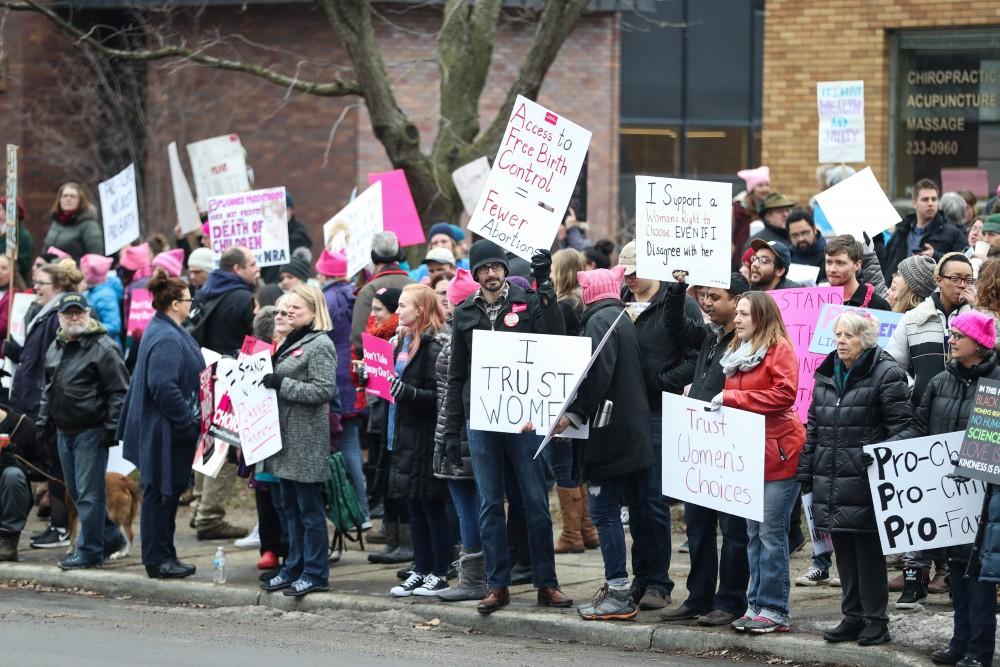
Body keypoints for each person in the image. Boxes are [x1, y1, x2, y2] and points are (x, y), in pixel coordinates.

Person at [444, 240, 572, 615]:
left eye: (496, 267)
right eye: (483, 269)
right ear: (475, 274)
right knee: (489, 503)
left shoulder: (527, 301)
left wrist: (544, 286)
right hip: (481, 418)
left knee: (533, 501)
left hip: (524, 417)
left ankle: (546, 582)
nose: (491, 274)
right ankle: (496, 584)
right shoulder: (465, 311)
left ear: (503, 269)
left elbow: (555, 337)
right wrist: (452, 429)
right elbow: (455, 375)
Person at [891, 311, 1000, 665]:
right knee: (955, 569)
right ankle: (959, 643)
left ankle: (979, 651)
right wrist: (886, 453)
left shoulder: (997, 383)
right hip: (946, 499)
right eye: (951, 335)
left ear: (980, 345)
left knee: (979, 578)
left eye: (958, 336)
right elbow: (919, 429)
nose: (951, 340)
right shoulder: (939, 381)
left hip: (984, 502)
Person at [797, 311, 911, 645]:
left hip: (865, 478)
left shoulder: (887, 374)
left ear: (866, 339)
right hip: (830, 478)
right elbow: (814, 428)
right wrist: (805, 472)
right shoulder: (826, 374)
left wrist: (872, 454)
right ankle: (852, 616)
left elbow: (905, 428)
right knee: (843, 549)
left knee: (867, 551)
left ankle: (876, 620)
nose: (841, 341)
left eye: (848, 335)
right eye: (838, 335)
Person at [551, 265, 654, 621]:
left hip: (609, 435)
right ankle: (620, 588)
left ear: (589, 292)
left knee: (604, 511)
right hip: (629, 433)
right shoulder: (621, 318)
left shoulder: (599, 322)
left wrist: (573, 414)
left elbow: (596, 375)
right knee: (617, 510)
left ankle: (619, 592)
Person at [660, 271, 752, 626]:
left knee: (732, 530)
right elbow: (675, 325)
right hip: (700, 445)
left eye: (716, 297)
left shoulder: (746, 342)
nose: (708, 303)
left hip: (730, 446)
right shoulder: (710, 336)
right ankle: (698, 597)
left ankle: (730, 601)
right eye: (705, 296)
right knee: (697, 524)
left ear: (737, 300)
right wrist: (678, 287)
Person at [712, 291, 804, 634]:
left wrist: (733, 397)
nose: (736, 319)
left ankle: (775, 608)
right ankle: (755, 604)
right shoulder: (739, 351)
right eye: (737, 313)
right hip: (749, 453)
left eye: (744, 314)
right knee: (753, 533)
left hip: (779, 454)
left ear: (761, 317)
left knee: (770, 533)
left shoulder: (779, 348)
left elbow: (784, 393)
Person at [619, 240, 703, 609]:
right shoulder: (621, 300)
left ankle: (660, 582)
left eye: (637, 272)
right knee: (633, 500)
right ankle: (641, 575)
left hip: (659, 412)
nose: (631, 279)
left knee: (653, 499)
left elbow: (697, 356)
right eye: (626, 273)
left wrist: (663, 380)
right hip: (627, 414)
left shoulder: (677, 302)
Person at [119, 269, 203, 578]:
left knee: (163, 494)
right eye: (188, 299)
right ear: (176, 303)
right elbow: (162, 386)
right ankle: (158, 559)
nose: (191, 304)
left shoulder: (165, 328)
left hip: (164, 428)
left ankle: (164, 555)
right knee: (160, 494)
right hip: (165, 431)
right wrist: (186, 424)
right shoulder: (166, 336)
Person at [37, 293, 130, 569]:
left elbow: (119, 392)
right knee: (77, 493)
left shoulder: (104, 347)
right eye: (69, 313)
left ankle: (89, 550)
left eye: (79, 312)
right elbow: (48, 388)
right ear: (60, 317)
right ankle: (110, 537)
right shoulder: (56, 345)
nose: (74, 317)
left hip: (92, 429)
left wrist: (111, 429)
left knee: (89, 494)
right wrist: (43, 422)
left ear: (88, 313)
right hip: (64, 430)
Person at [257, 285, 335, 597]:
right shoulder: (291, 342)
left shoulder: (320, 345)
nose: (288, 313)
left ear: (314, 312)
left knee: (309, 511)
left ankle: (315, 572)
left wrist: (282, 383)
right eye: (286, 308)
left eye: (296, 309)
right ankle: (294, 567)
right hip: (285, 439)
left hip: (305, 441)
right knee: (289, 509)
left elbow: (323, 390)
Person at [5, 261, 82, 549]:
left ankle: (62, 528)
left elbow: (55, 362)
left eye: (42, 284)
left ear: (60, 286)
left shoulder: (58, 316)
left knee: (56, 467)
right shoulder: (44, 312)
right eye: (35, 283)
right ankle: (57, 526)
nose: (35, 288)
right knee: (50, 465)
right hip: (31, 398)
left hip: (45, 402)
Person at [385, 284, 451, 597]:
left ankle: (439, 571)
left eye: (402, 306)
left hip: (425, 435)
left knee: (430, 504)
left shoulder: (433, 345)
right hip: (405, 431)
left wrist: (407, 393)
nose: (397, 312)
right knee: (413, 502)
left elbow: (439, 396)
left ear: (420, 310)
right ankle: (420, 568)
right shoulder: (404, 340)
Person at [189, 246, 258, 540]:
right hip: (231, 377)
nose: (257, 269)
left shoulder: (206, 291)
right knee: (226, 445)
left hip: (207, 374)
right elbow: (254, 341)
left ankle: (198, 506)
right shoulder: (243, 298)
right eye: (252, 264)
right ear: (236, 269)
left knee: (208, 441)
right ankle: (210, 517)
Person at [434, 269, 487, 602]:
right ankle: (481, 575)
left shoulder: (461, 339)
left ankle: (473, 579)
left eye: (449, 300)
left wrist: (449, 433)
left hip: (461, 434)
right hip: (457, 430)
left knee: (470, 509)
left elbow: (454, 393)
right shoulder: (460, 334)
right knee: (474, 507)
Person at [547, 249, 599, 555]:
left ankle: (571, 533)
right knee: (575, 459)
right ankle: (586, 528)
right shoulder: (586, 302)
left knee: (562, 460)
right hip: (584, 393)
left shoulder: (563, 306)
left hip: (563, 392)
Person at [316, 249, 369, 528]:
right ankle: (363, 509)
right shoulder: (356, 294)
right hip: (354, 375)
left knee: (344, 446)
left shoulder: (325, 300)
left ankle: (358, 510)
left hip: (335, 377)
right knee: (353, 445)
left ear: (323, 272)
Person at [888, 252, 975, 405]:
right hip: (922, 411)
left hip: (964, 410)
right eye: (955, 278)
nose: (962, 284)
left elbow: (992, 357)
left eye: (968, 280)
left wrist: (977, 308)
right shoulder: (913, 318)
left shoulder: (977, 317)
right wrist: (912, 389)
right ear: (939, 280)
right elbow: (892, 364)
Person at [880, 178, 966, 282]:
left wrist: (935, 256)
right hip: (899, 292)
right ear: (914, 203)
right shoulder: (902, 231)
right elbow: (886, 262)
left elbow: (964, 266)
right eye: (925, 199)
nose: (930, 203)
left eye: (934, 199)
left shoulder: (953, 233)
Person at [350, 231, 414, 356]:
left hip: (377, 365)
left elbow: (358, 338)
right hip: (411, 358)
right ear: (398, 253)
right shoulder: (416, 287)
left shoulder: (368, 290)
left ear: (373, 255)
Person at [0, 404, 40, 561]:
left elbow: (43, 469)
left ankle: (7, 539)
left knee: (13, 475)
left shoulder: (22, 425)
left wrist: (17, 463)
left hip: (8, 496)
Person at [823, 236, 891, 310]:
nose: (832, 269)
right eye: (829, 262)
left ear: (857, 265)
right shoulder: (816, 300)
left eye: (840, 263)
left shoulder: (878, 305)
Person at [42, 183, 103, 261]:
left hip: (75, 272)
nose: (68, 199)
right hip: (51, 271)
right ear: (59, 200)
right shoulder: (56, 223)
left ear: (80, 201)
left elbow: (96, 257)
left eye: (72, 196)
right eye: (65, 196)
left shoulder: (89, 225)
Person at [732, 166, 771, 267]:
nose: (765, 189)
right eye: (760, 185)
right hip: (740, 258)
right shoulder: (738, 208)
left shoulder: (771, 208)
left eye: (767, 185)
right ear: (752, 189)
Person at [80, 254, 123, 343]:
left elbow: (114, 326)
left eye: (84, 271)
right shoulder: (90, 290)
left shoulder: (106, 296)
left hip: (106, 348)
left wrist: (86, 328)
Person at [0, 196, 35, 284]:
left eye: (1, 209)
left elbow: (23, 263)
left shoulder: (23, 236)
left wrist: (5, 265)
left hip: (13, 283)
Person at [787, 210, 827, 281]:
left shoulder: (829, 255)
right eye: (795, 235)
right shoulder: (786, 258)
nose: (800, 239)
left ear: (814, 229)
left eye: (804, 233)